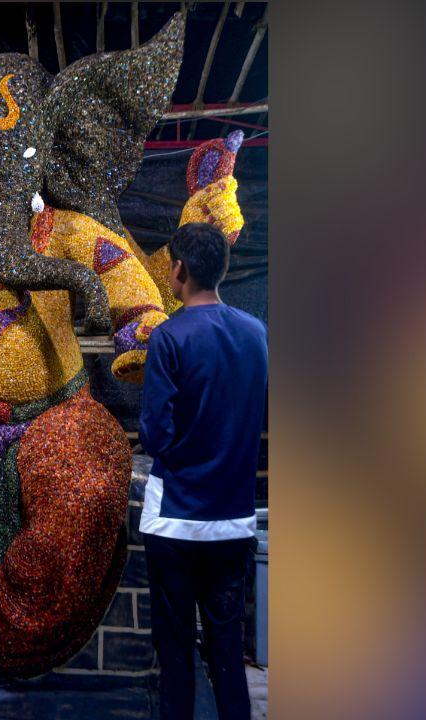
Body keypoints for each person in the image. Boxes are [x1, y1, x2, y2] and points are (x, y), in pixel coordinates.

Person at [138, 223, 268, 720]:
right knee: (227, 652)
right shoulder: (258, 334)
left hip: (175, 522)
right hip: (234, 521)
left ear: (179, 270)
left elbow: (154, 433)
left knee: (175, 655)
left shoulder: (169, 338)